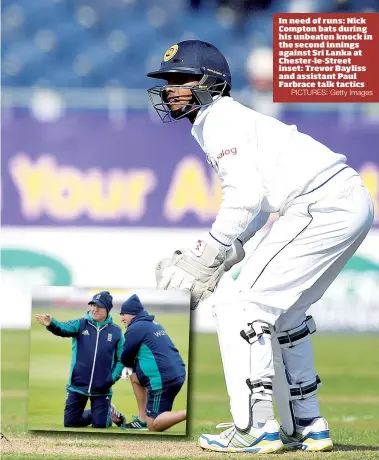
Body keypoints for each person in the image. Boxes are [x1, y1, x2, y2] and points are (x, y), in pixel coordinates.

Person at [147, 40, 374, 452]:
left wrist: (212, 249)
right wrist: (233, 248)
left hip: (318, 205)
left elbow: (244, 196)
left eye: (181, 80)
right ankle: (306, 424)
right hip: (341, 201)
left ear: (212, 83)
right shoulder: (219, 121)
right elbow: (258, 201)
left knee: (238, 304)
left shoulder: (220, 119)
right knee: (286, 313)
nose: (170, 89)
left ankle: (257, 426)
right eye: (167, 81)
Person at [35, 291, 126, 429]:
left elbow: (122, 360)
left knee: (100, 425)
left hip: (102, 389)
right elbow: (63, 328)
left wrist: (110, 379)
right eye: (93, 305)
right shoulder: (80, 324)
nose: (94, 309)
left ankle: (105, 414)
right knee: (70, 423)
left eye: (99, 307)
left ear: (107, 309)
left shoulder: (116, 332)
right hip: (77, 386)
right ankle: (105, 410)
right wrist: (51, 323)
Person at [119, 294, 187, 432]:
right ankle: (142, 419)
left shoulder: (135, 328)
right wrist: (132, 368)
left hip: (161, 380)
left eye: (123, 314)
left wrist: (127, 365)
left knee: (154, 425)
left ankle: (187, 413)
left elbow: (126, 356)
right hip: (176, 374)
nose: (121, 318)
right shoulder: (152, 323)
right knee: (134, 377)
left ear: (132, 314)